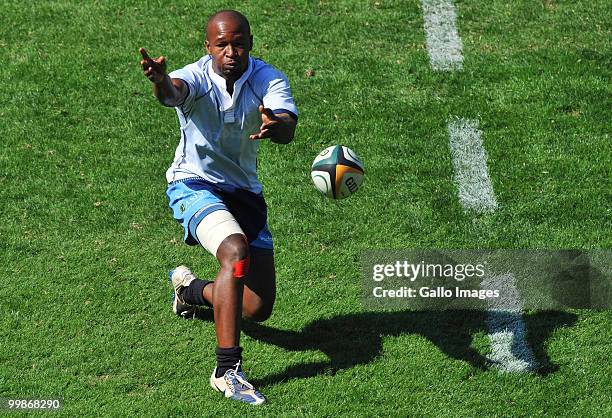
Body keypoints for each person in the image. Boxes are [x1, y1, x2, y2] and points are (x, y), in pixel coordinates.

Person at [139, 9, 297, 405]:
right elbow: (174, 93)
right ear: (207, 47)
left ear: (250, 44)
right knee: (234, 251)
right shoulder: (194, 76)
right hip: (193, 184)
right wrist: (160, 81)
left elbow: (287, 127)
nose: (231, 51)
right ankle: (227, 370)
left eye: (239, 42)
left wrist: (276, 126)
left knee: (257, 307)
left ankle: (190, 291)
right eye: (222, 44)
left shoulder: (268, 78)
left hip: (244, 193)